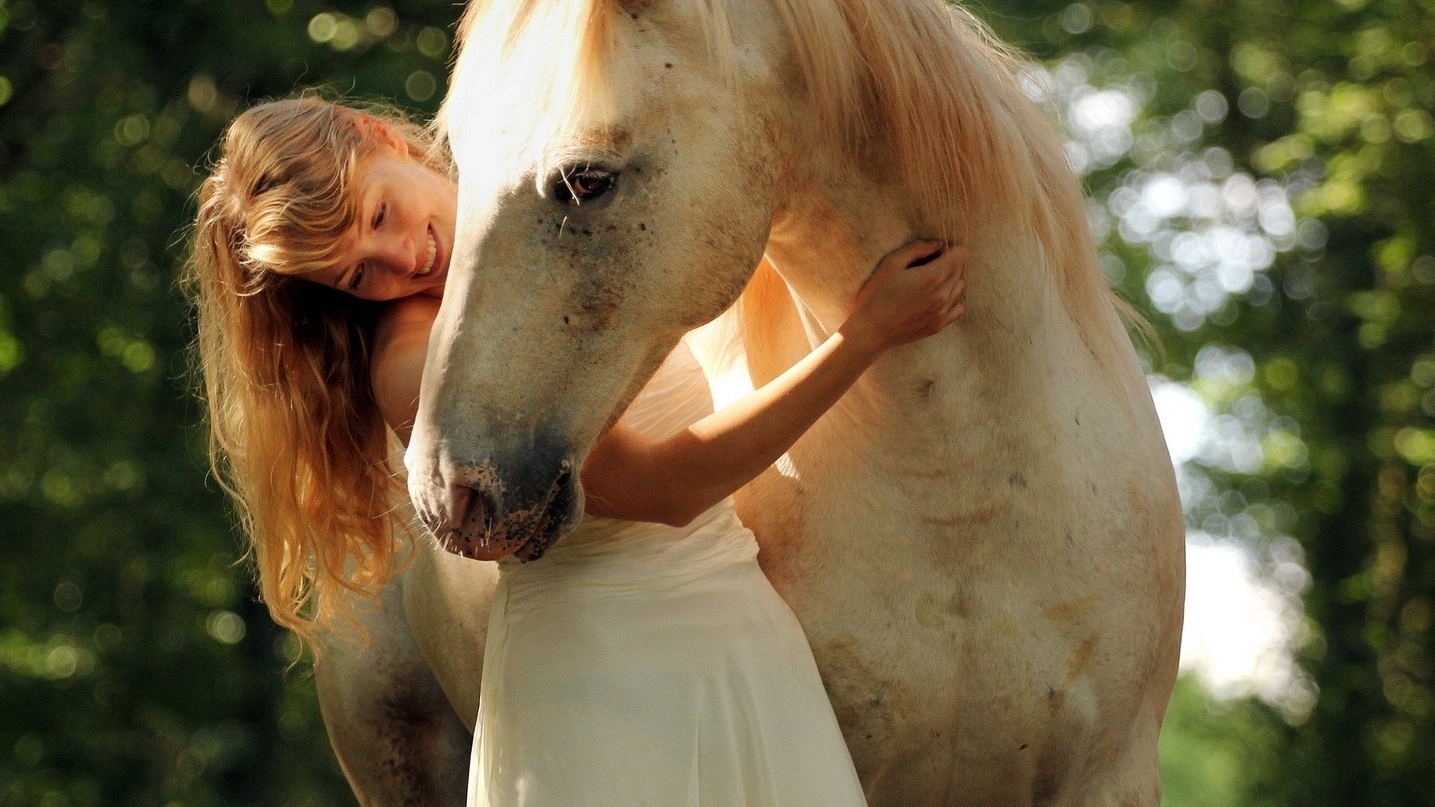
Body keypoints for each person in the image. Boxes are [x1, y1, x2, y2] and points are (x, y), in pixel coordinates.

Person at [192, 94, 966, 806]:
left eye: (380, 213)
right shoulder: (419, 355)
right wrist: (865, 336)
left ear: (381, 136)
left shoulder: (568, 219)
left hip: (733, 628)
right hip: (611, 672)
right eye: (359, 274)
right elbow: (660, 491)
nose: (401, 259)